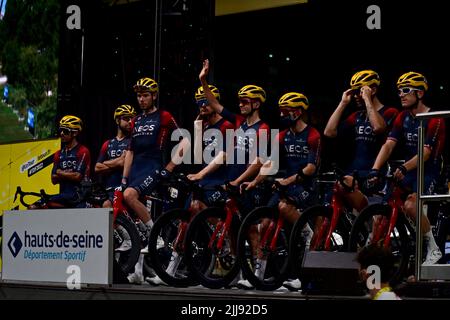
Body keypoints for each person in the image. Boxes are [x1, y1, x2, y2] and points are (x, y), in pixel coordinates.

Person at [241, 92, 321, 290]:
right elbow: (270, 162)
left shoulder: (313, 135)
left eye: (288, 111)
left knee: (284, 208)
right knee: (266, 223)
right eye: (282, 111)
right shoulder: (282, 136)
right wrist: (253, 182)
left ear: (300, 111)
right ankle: (258, 275)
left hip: (305, 185)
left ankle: (310, 235)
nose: (283, 115)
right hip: (285, 183)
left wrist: (288, 180)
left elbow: (312, 168)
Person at [370, 71, 445, 265]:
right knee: (379, 213)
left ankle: (433, 248)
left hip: (429, 171)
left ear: (420, 93)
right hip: (410, 170)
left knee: (411, 205)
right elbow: (388, 145)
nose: (401, 95)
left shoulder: (435, 118)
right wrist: (374, 169)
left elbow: (426, 153)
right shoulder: (402, 117)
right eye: (399, 91)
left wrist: (404, 167)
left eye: (405, 90)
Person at [121, 77, 183, 284]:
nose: (141, 99)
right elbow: (130, 151)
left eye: (145, 95)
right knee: (134, 220)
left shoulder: (164, 116)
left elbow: (185, 142)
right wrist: (124, 177)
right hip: (137, 168)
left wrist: (169, 168)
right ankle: (138, 271)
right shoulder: (136, 120)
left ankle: (157, 237)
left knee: (130, 196)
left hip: (153, 165)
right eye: (139, 95)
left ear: (154, 95)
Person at [324, 70, 398, 212]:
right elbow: (329, 132)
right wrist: (343, 103)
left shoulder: (390, 112)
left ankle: (368, 224)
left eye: (360, 91)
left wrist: (367, 99)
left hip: (375, 173)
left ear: (373, 90)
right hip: (355, 172)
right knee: (331, 200)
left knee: (369, 213)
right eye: (355, 92)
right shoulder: (356, 116)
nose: (357, 96)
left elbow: (378, 128)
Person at [33, 115, 91, 209]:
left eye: (66, 131)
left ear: (75, 133)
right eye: (61, 130)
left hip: (79, 196)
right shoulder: (58, 154)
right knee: (34, 207)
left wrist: (60, 172)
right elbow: (53, 179)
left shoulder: (83, 151)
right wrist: (69, 174)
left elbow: (77, 176)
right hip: (64, 196)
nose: (62, 133)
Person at [95, 105, 136, 208]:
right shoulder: (108, 143)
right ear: (118, 120)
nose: (130, 122)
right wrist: (118, 161)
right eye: (126, 118)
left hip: (126, 187)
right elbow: (97, 168)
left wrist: (106, 163)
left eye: (132, 118)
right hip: (109, 189)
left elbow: (124, 163)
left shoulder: (132, 140)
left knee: (107, 205)